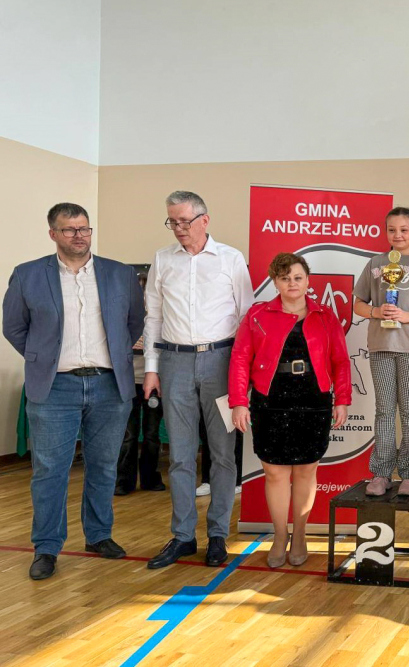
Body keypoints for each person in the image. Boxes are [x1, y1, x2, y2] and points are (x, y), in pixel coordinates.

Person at [2, 203, 144, 580]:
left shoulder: (120, 274)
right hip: (54, 386)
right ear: (53, 234)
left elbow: (134, 323)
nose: (79, 236)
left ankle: (98, 535)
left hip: (109, 384)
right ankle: (47, 546)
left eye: (84, 228)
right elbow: (13, 327)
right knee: (50, 470)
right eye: (69, 230)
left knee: (104, 465)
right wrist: (42, 357)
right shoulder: (29, 274)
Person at [143, 191, 254, 570]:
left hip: (221, 363)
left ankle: (218, 536)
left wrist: (242, 373)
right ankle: (183, 536)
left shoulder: (231, 259)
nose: (178, 229)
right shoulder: (162, 260)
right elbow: (154, 317)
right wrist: (152, 368)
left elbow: (247, 317)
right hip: (174, 363)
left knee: (222, 454)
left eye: (184, 221)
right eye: (172, 222)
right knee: (179, 455)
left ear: (204, 220)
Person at [230, 252, 351, 568]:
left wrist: (343, 399)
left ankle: (300, 534)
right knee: (274, 472)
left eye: (298, 277)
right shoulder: (257, 315)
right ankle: (280, 534)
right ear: (275, 282)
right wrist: (239, 401)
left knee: (306, 470)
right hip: (270, 400)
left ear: (308, 280)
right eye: (285, 278)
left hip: (314, 398)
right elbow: (240, 359)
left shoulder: (325, 316)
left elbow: (340, 361)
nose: (292, 283)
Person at [352, 208, 409, 497]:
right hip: (381, 346)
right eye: (392, 230)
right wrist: (376, 311)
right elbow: (358, 304)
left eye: (404, 229)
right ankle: (381, 473)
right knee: (383, 410)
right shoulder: (375, 264)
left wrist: (407, 316)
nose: (398, 235)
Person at [115, 269, 166, 496]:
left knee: (152, 434)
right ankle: (123, 481)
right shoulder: (122, 317)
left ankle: (150, 478)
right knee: (128, 435)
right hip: (127, 381)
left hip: (155, 382)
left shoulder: (162, 317)